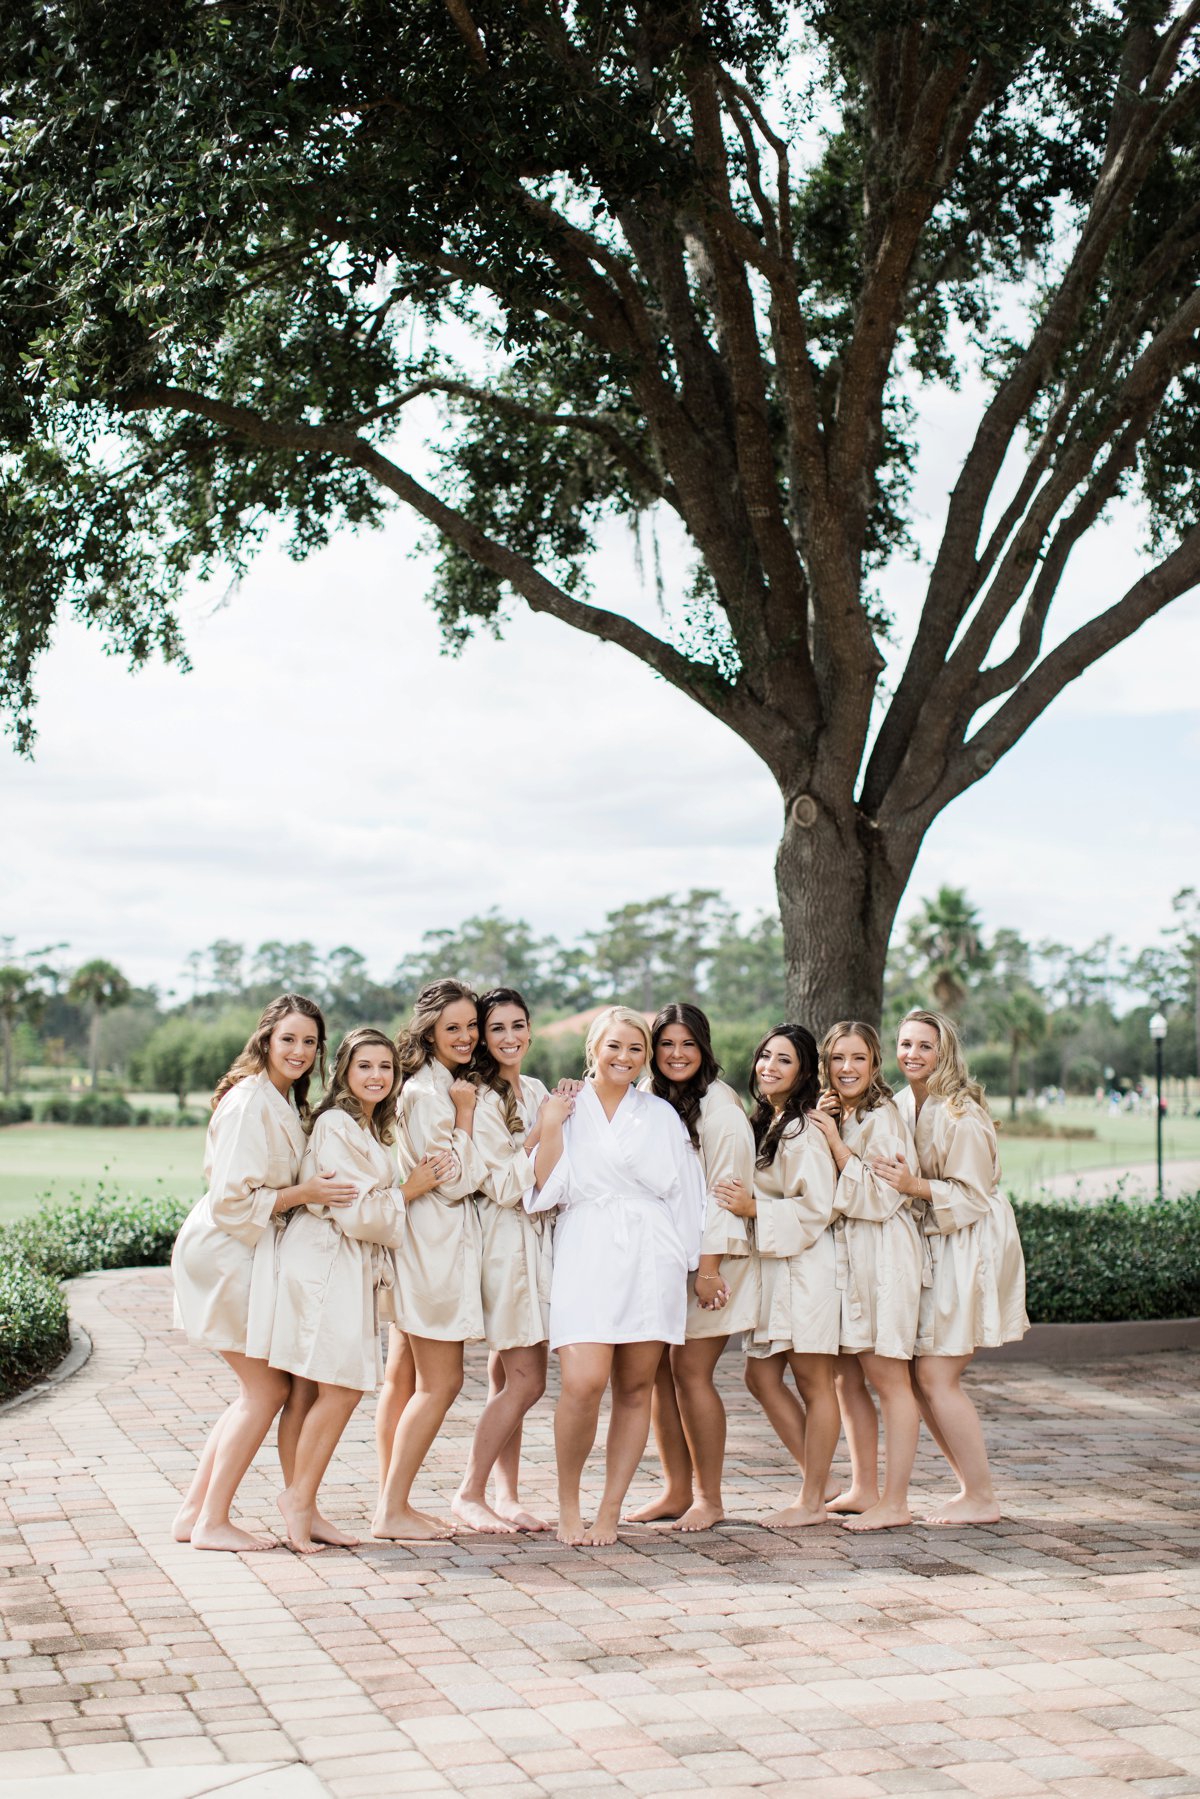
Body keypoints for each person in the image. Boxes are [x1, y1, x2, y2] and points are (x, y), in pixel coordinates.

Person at [171, 994, 357, 1551]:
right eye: (289, 1039)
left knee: (258, 1389)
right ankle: (212, 1523)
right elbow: (230, 1201)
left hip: (246, 1251)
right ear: (266, 1039)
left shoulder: (280, 1099)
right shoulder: (250, 1102)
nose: (299, 1051)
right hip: (226, 1250)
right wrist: (305, 1193)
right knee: (267, 1388)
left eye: (309, 1042)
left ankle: (192, 1513)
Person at [525, 1006, 706, 1546]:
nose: (624, 1057)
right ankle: (568, 1505)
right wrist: (552, 1123)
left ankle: (610, 1509)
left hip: (651, 1253)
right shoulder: (565, 1106)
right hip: (586, 1244)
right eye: (614, 1047)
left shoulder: (658, 1115)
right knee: (582, 1383)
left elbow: (684, 1193)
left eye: (635, 1049)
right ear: (593, 1050)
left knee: (634, 1388)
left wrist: (692, 1263)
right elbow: (543, 1187)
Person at [267, 1028, 453, 1552]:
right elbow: (355, 1213)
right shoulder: (335, 1123)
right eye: (365, 1066)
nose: (377, 1076)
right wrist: (408, 1190)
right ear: (344, 1072)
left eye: (386, 1068)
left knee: (310, 1389)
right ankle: (298, 1498)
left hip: (343, 1264)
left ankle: (306, 1508)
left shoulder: (371, 1126)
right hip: (326, 1262)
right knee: (343, 1386)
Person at [875, 1009, 1028, 1525]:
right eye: (905, 1044)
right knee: (922, 1377)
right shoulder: (901, 1103)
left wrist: (913, 1187)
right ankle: (970, 1490)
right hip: (936, 1242)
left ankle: (982, 1496)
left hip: (970, 1242)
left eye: (924, 1045)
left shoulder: (961, 1113)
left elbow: (973, 1197)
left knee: (936, 1372)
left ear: (944, 1052)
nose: (912, 1054)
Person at [627, 1003, 758, 1533]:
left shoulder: (720, 1109)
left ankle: (710, 1497)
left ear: (704, 1048)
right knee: (659, 1373)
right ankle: (675, 1489)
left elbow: (725, 1199)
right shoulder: (654, 1100)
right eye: (666, 1044)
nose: (676, 1054)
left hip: (711, 1263)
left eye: (687, 1044)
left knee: (691, 1374)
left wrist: (708, 1270)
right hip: (664, 1261)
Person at [374, 980, 486, 1540]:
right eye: (453, 1028)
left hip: (422, 1243)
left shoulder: (433, 1085)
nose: (466, 1037)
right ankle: (392, 1507)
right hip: (431, 1248)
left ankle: (389, 1499)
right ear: (429, 1032)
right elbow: (453, 1181)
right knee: (440, 1384)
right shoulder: (430, 1093)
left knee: (403, 1377)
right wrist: (466, 1115)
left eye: (471, 1026)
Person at [716, 1023, 839, 1527]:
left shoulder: (803, 1129)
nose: (769, 1066)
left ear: (804, 1070)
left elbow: (816, 1209)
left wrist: (752, 1206)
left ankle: (811, 1501)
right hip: (775, 1268)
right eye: (765, 1056)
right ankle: (822, 1480)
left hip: (807, 1266)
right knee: (761, 1375)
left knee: (813, 1382)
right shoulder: (768, 1119)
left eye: (784, 1060)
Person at [808, 1020, 922, 1533]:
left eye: (857, 1058)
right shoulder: (841, 1112)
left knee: (887, 1377)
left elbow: (881, 1196)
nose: (847, 1068)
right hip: (848, 1258)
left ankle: (895, 1501)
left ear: (874, 1063)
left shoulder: (884, 1115)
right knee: (843, 1376)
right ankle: (863, 1488)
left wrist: (834, 1143)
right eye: (837, 1058)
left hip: (882, 1256)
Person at [452, 988, 553, 1534]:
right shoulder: (482, 1099)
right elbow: (509, 1182)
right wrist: (549, 1127)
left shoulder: (534, 1088)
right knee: (527, 1379)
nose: (510, 1037)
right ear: (483, 1038)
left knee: (506, 1375)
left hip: (538, 1242)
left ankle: (505, 1493)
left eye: (519, 1025)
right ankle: (468, 1491)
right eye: (497, 1029)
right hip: (505, 1244)